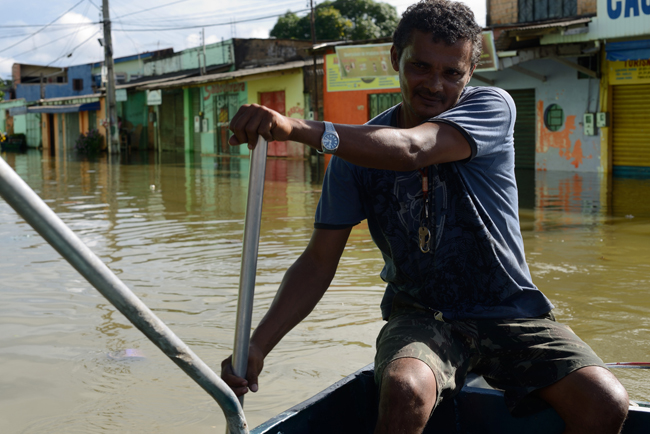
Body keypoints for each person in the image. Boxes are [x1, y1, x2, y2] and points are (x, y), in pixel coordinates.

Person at [222, 1, 630, 433]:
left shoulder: (492, 107)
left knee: (605, 401)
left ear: (470, 73)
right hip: (420, 315)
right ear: (396, 59)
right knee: (404, 390)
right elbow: (318, 262)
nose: (435, 84)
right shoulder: (353, 157)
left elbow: (413, 149)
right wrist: (258, 345)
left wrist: (298, 128)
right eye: (420, 66)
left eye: (452, 72)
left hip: (510, 311)